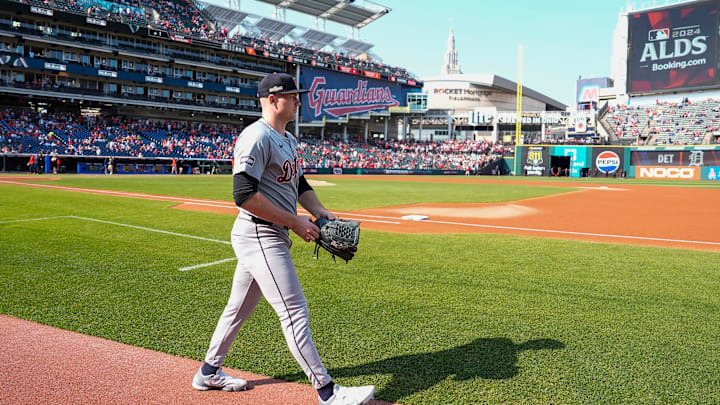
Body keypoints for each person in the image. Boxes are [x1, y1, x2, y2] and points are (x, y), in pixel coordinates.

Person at [192, 73, 376, 405]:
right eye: (292, 96)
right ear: (274, 100)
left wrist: (319, 211)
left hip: (268, 234)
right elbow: (243, 195)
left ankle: (208, 372)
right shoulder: (256, 137)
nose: (298, 100)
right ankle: (328, 392)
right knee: (294, 311)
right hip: (260, 233)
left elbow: (298, 184)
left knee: (237, 310)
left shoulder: (287, 138)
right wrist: (295, 222)